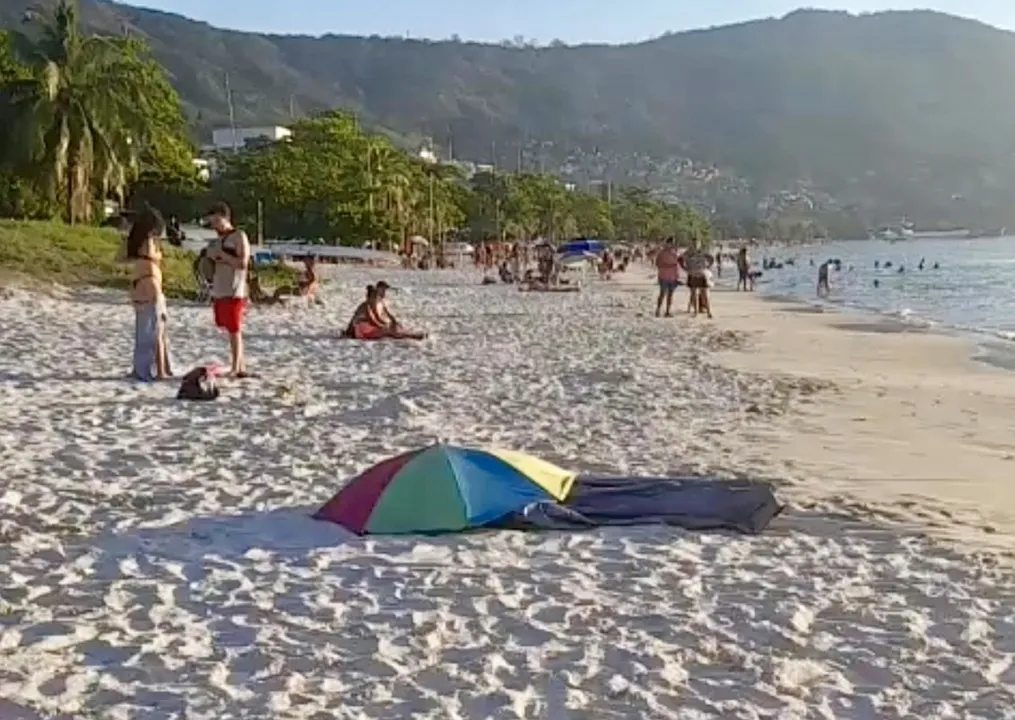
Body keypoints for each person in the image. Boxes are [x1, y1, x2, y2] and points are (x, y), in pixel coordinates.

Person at [205, 202, 251, 377]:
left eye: (216, 221)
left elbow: (243, 263)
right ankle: (240, 364)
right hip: (220, 287)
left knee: (234, 327)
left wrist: (222, 255)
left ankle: (237, 367)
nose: (214, 225)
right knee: (225, 324)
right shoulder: (217, 239)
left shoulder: (239, 236)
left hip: (235, 288)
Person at [126, 207, 172, 381]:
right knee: (157, 332)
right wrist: (159, 254)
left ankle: (141, 368)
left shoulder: (134, 242)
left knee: (143, 332)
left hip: (140, 284)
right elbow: (153, 255)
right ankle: (160, 370)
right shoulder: (148, 241)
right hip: (150, 284)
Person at [680, 244, 714, 318]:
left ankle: (709, 312)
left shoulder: (702, 252)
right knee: (694, 294)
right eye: (694, 242)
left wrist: (708, 266)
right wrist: (685, 268)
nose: (695, 245)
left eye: (696, 243)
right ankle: (696, 312)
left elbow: (711, 258)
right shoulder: (689, 252)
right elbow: (680, 258)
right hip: (693, 275)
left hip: (701, 274)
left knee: (704, 294)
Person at [655, 238, 681, 317]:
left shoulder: (676, 253)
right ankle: (658, 309)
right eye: (670, 243)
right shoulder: (662, 253)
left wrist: (677, 276)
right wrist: (667, 265)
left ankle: (667, 311)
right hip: (664, 276)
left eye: (673, 243)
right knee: (662, 293)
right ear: (667, 243)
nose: (671, 245)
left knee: (670, 295)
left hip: (673, 276)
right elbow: (657, 263)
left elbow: (678, 265)